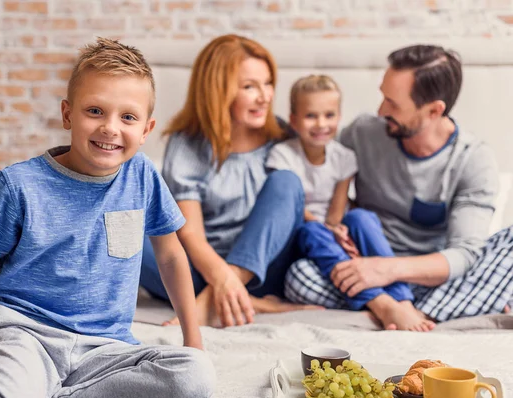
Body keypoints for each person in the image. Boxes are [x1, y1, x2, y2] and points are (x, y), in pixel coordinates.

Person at [0, 38, 215, 398]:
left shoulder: (141, 175)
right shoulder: (18, 185)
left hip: (106, 349)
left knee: (194, 376)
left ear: (146, 129)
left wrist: (193, 340)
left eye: (128, 117)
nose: (110, 128)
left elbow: (172, 256)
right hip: (26, 336)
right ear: (68, 114)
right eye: (95, 111)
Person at [285, 44, 513, 328]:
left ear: (433, 111)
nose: (381, 110)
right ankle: (399, 308)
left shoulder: (472, 159)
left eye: (393, 104)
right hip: (364, 266)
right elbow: (320, 176)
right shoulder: (362, 133)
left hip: (429, 276)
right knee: (299, 276)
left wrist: (387, 270)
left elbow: (464, 253)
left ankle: (404, 311)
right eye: (383, 97)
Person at [140, 34, 319, 328]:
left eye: (268, 83)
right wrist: (222, 278)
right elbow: (191, 235)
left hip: (267, 269)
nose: (265, 96)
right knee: (133, 230)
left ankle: (208, 304)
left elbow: (290, 209)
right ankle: (242, 299)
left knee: (287, 182)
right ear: (217, 91)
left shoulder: (283, 138)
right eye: (250, 87)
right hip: (203, 269)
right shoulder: (187, 144)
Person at [265, 75, 431, 331]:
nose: (321, 124)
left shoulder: (344, 158)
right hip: (299, 233)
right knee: (312, 230)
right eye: (311, 116)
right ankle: (379, 302)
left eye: (329, 115)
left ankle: (402, 300)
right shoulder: (282, 155)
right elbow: (292, 209)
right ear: (294, 120)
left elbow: (336, 210)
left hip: (329, 232)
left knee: (360, 217)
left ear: (339, 117)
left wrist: (338, 231)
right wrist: (327, 231)